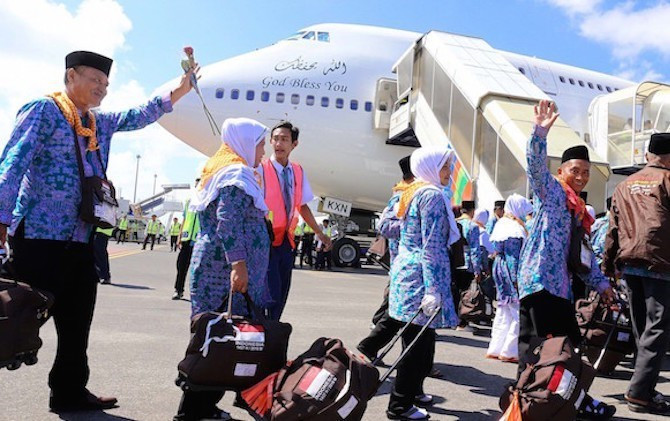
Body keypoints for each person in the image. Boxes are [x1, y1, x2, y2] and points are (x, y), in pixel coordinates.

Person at [0, 50, 195, 412]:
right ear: (71, 76)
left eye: (106, 83)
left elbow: (138, 115)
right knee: (16, 319)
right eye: (95, 80)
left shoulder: (97, 122)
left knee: (77, 322)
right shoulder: (43, 111)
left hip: (80, 240)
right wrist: (1, 218)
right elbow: (13, 162)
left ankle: (69, 391)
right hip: (39, 237)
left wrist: (181, 90)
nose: (103, 88)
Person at [517, 100, 616, 420]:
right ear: (561, 171)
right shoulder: (551, 192)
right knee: (543, 349)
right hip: (538, 282)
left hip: (559, 288)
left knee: (562, 347)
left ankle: (566, 400)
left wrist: (602, 285)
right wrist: (539, 132)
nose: (581, 177)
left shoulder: (578, 212)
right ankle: (529, 402)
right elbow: (534, 166)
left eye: (586, 173)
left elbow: (582, 257)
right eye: (575, 171)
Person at [174, 117, 272, 421]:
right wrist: (239, 265)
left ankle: (200, 407)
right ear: (245, 142)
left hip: (219, 269)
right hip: (223, 273)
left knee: (214, 337)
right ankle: (194, 411)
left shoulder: (225, 171)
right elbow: (227, 222)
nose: (263, 151)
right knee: (218, 340)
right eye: (260, 144)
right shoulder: (235, 175)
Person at [386, 146, 460, 420]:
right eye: (444, 166)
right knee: (416, 346)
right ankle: (399, 406)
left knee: (421, 342)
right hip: (421, 279)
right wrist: (432, 289)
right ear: (430, 167)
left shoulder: (414, 191)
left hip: (410, 273)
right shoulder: (431, 196)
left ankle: (412, 394)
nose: (449, 172)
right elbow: (431, 246)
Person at [603, 132, 670, 415]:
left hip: (630, 262)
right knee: (657, 329)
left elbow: (613, 228)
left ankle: (645, 389)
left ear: (647, 156)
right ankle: (639, 393)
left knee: (643, 329)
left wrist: (608, 266)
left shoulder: (624, 185)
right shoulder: (668, 179)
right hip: (661, 262)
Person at [258, 121, 331, 320]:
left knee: (282, 293)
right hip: (265, 240)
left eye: (284, 139)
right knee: (269, 294)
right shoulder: (261, 169)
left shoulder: (297, 171)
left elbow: (303, 205)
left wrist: (319, 233)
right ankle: (264, 331)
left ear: (294, 144)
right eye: (275, 139)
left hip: (286, 241)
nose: (278, 144)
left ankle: (272, 330)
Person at [358, 155, 413, 363]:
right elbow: (385, 226)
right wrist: (413, 224)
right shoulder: (402, 196)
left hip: (405, 265)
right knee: (396, 311)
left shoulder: (410, 193)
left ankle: (374, 346)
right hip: (403, 264)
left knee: (399, 311)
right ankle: (370, 346)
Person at [486, 194, 532, 363]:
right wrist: (516, 279)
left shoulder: (502, 223)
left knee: (503, 310)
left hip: (499, 267)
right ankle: (510, 351)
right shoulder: (514, 228)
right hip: (509, 270)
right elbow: (514, 257)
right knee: (517, 311)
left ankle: (496, 348)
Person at [172, 178, 201, 300]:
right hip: (186, 238)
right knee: (181, 266)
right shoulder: (189, 201)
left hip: (199, 240)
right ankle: (178, 290)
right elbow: (184, 219)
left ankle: (198, 294)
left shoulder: (206, 200)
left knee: (198, 269)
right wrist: (179, 236)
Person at [455, 200, 481, 332]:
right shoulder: (473, 226)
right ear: (473, 211)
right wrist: (477, 269)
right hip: (467, 262)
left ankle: (453, 320)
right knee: (465, 294)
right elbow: (475, 249)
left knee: (455, 292)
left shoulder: (455, 222)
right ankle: (462, 322)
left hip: (454, 261)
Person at [590, 197, 611, 267]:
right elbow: (603, 244)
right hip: (601, 261)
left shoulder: (597, 222)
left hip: (593, 258)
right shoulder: (611, 224)